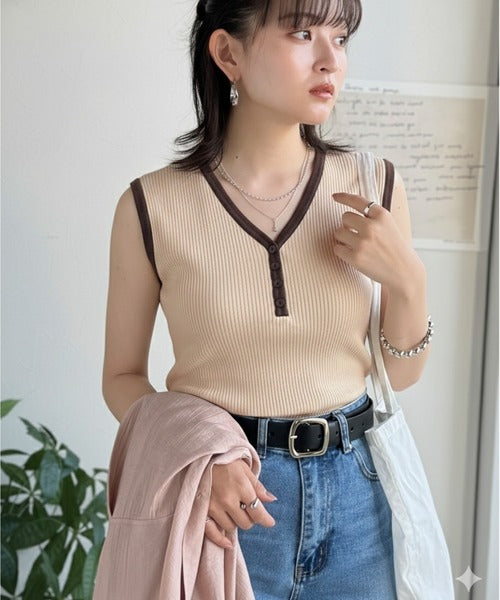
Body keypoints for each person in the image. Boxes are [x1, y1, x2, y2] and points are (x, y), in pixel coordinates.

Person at [102, 0, 432, 598]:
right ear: (228, 53)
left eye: (340, 37)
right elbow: (121, 377)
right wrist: (201, 459)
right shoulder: (150, 207)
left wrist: (409, 282)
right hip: (227, 503)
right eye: (302, 33)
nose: (331, 60)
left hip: (359, 499)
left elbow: (401, 376)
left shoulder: (373, 186)